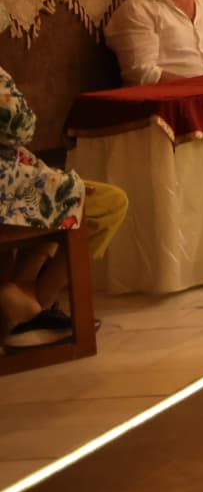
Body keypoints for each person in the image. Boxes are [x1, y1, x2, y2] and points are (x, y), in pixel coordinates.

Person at [0, 67, 130, 351]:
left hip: (18, 183)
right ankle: (31, 308)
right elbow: (18, 125)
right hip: (9, 191)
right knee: (104, 203)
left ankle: (25, 300)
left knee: (63, 197)